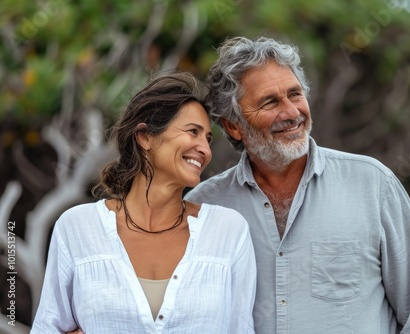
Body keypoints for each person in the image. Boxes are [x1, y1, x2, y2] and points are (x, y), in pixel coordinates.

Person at [184, 36, 410, 333]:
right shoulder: (203, 207)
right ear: (234, 126)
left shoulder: (374, 185)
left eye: (295, 94)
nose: (292, 113)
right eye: (270, 102)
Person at [31, 72, 256, 333]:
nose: (205, 150)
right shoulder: (77, 228)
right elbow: (47, 326)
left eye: (207, 139)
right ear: (145, 136)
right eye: (192, 132)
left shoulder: (227, 231)